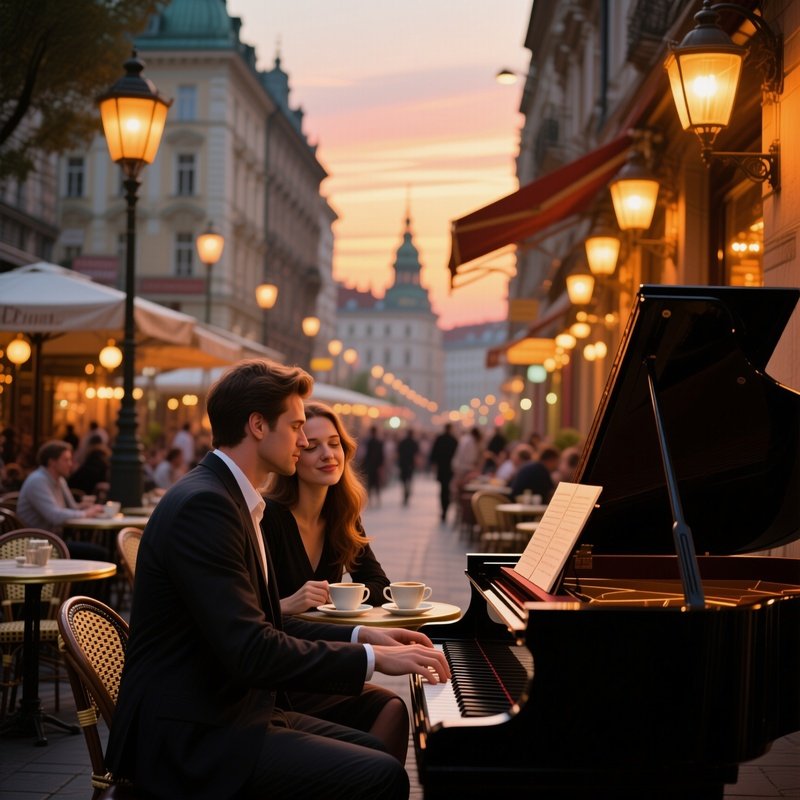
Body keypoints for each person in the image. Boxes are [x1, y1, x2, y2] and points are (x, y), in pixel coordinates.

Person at [105, 359, 450, 800]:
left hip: (229, 710)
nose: (305, 441)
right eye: (297, 427)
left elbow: (266, 623)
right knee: (381, 775)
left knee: (375, 752)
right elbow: (253, 650)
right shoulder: (206, 507)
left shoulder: (230, 498)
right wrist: (372, 659)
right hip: (193, 735)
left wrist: (368, 637)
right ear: (257, 426)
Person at [263, 401, 404, 761]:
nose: (328, 455)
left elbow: (377, 583)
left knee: (394, 707)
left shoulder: (341, 516)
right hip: (278, 674)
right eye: (312, 446)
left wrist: (341, 596)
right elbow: (245, 615)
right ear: (293, 455)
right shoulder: (269, 519)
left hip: (322, 665)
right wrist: (288, 602)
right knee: (376, 730)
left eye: (335, 443)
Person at [428, 423, 457, 522]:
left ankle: (444, 509)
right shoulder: (454, 440)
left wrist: (433, 464)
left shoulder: (440, 439)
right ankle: (445, 508)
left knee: (443, 489)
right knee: (447, 489)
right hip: (449, 469)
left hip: (442, 468)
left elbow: (434, 454)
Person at [360, 425, 385, 508]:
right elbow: (381, 455)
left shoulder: (368, 442)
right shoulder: (379, 442)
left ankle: (370, 501)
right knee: (377, 484)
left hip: (370, 466)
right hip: (377, 466)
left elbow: (365, 455)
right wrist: (381, 465)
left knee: (370, 484)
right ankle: (378, 500)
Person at [396, 428, 419, 506]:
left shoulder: (403, 442)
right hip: (410, 464)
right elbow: (416, 453)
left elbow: (398, 452)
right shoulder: (414, 442)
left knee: (404, 480)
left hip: (403, 464)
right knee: (409, 479)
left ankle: (405, 491)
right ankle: (407, 492)